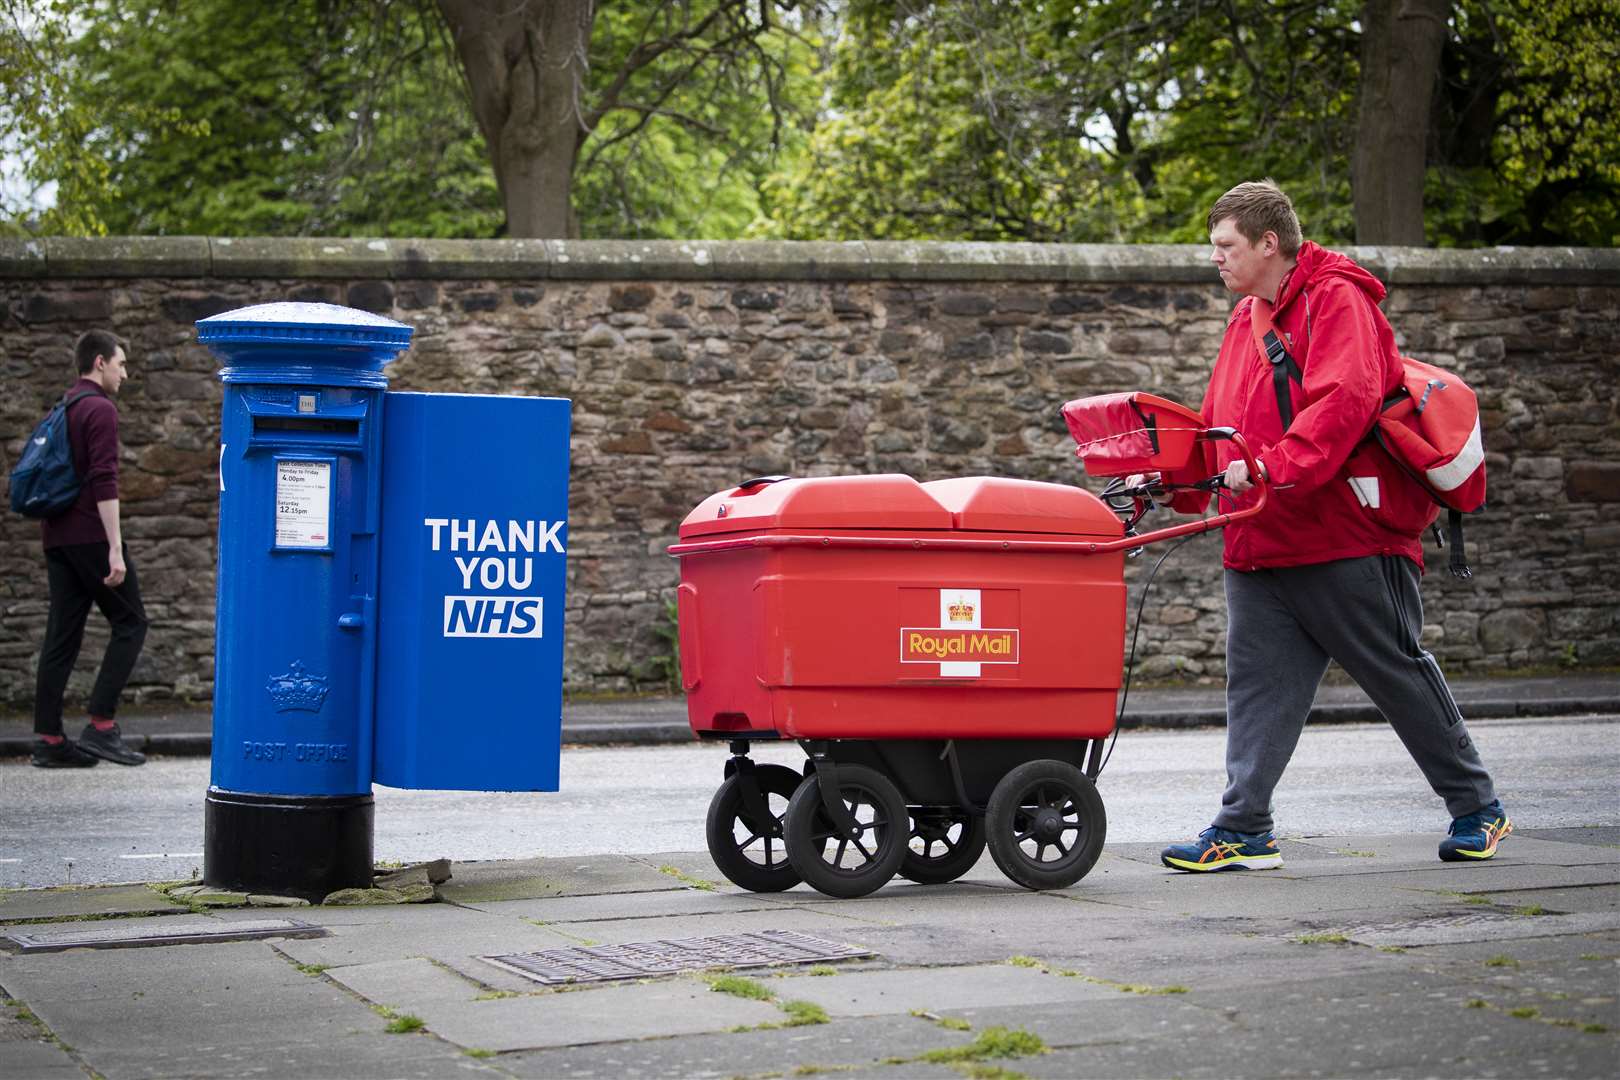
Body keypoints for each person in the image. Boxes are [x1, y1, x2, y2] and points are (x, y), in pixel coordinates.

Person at [1152, 180, 1507, 869]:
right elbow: (1223, 418)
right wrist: (1180, 481)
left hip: (1345, 533)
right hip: (1262, 535)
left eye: (1225, 246)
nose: (1215, 259)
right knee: (1257, 688)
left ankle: (1479, 808)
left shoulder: (1339, 299)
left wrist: (1270, 469)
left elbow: (1340, 404)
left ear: (1268, 243)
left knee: (1396, 674)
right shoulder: (1244, 318)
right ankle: (1245, 827)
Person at [30, 330, 148, 768]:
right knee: (131, 621)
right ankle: (101, 726)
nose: (125, 373)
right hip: (88, 535)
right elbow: (104, 480)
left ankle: (48, 739)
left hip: (56, 535)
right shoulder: (99, 408)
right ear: (99, 362)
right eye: (120, 364)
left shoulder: (65, 405)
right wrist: (115, 548)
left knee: (61, 635)